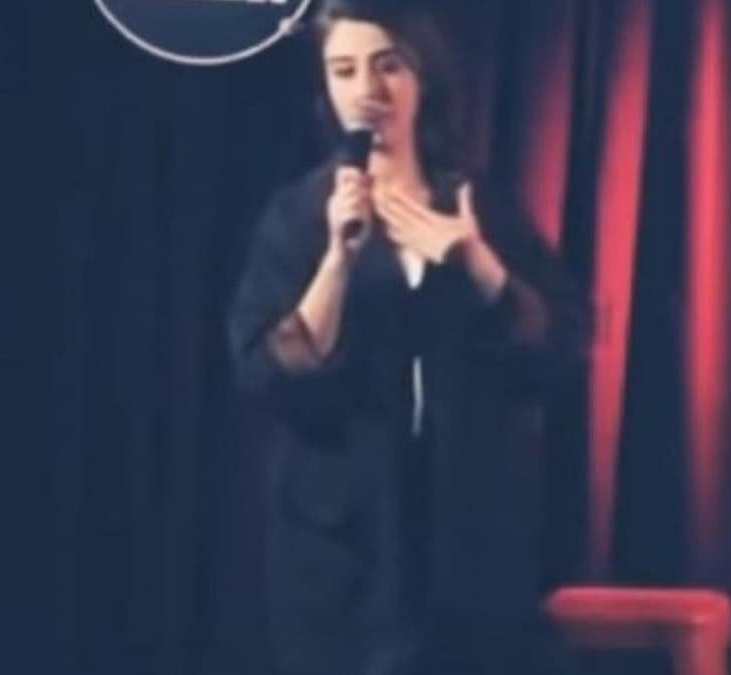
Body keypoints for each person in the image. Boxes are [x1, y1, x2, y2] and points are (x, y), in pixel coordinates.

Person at [226, 1, 589, 673]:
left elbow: (561, 349)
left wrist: (478, 263)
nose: (368, 89)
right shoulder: (297, 215)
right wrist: (337, 260)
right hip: (340, 553)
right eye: (344, 70)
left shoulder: (480, 205)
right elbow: (265, 370)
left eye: (388, 65)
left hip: (471, 547)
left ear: (423, 78)